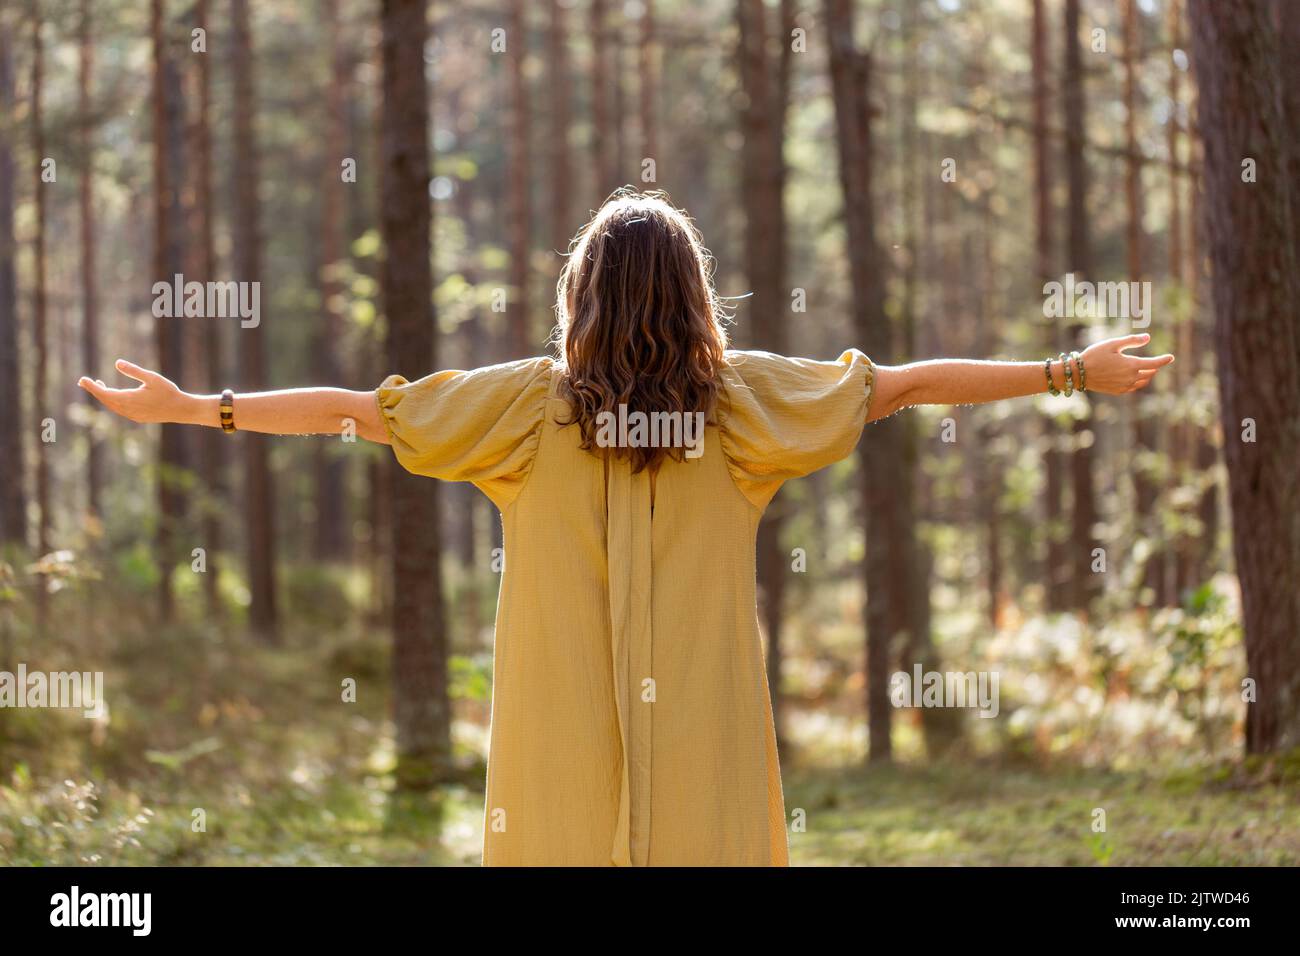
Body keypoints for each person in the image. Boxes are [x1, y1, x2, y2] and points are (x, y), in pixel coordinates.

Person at [80, 190, 1174, 866]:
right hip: (704, 725)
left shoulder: (523, 408)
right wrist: (1065, 370)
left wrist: (193, 406)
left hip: (558, 735)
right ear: (694, 296)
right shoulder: (742, 404)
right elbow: (899, 386)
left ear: (581, 294)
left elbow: (354, 411)